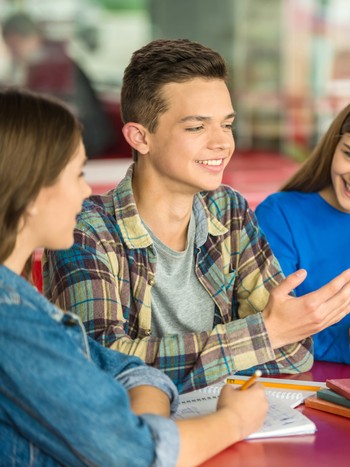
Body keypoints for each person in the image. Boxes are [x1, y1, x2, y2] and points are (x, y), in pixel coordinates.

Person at [43, 39, 350, 394]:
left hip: (228, 424)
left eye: (227, 124)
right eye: (196, 127)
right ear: (140, 137)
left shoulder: (229, 210)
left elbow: (294, 350)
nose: (222, 143)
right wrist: (261, 334)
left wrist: (268, 334)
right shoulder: (84, 228)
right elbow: (99, 362)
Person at [0, 88, 269, 467]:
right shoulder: (13, 322)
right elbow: (134, 455)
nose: (84, 190)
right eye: (77, 174)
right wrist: (235, 419)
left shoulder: (21, 302)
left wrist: (145, 421)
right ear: (29, 193)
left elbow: (120, 366)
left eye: (227, 124)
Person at [255, 104, 350, 364]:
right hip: (300, 383)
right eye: (349, 154)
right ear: (334, 147)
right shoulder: (281, 214)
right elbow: (268, 328)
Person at [1, 12, 115, 159]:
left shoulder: (55, 64)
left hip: (85, 139)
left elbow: (55, 114)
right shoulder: (46, 60)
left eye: (14, 45)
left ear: (28, 38)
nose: (12, 52)